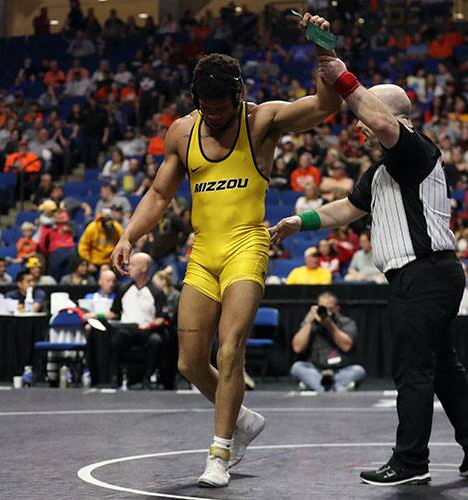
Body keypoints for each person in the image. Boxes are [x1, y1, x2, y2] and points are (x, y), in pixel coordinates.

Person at [111, 13, 343, 488]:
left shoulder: (262, 120)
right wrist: (127, 235)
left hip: (246, 244)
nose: (215, 114)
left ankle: (219, 454)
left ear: (238, 94)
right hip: (204, 251)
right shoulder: (182, 131)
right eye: (207, 106)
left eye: (222, 106)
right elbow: (158, 195)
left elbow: (326, 106)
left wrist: (323, 51)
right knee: (189, 362)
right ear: (196, 99)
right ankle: (242, 418)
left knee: (231, 346)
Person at [270, 50, 468, 486]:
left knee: (413, 369)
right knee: (443, 365)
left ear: (393, 116)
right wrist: (302, 221)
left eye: (364, 113)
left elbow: (381, 123)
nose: (358, 123)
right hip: (428, 275)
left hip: (424, 274)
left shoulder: (416, 149)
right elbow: (346, 211)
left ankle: (411, 463)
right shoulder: (380, 173)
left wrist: (344, 79)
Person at [106, 253, 168, 388]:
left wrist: (148, 326)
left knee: (156, 341)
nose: (128, 268)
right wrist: (95, 316)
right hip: (127, 330)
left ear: (144, 268)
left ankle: (147, 378)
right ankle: (115, 377)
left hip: (147, 331)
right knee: (116, 339)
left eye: (132, 265)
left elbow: (160, 318)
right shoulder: (124, 289)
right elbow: (113, 312)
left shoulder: (156, 292)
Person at [290, 291, 366, 392]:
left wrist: (330, 325)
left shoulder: (346, 322)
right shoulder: (310, 322)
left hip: (339, 370)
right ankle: (335, 389)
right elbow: (297, 348)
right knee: (297, 367)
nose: (326, 312)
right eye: (323, 309)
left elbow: (346, 346)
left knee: (358, 371)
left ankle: (316, 386)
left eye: (330, 309)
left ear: (337, 308)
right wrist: (309, 322)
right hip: (316, 369)